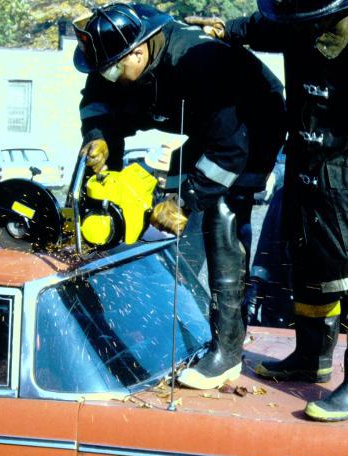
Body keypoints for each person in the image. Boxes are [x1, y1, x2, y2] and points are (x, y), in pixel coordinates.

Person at [187, 0, 348, 421]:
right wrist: (228, 30)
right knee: (311, 266)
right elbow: (265, 28)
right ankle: (309, 357)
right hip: (312, 171)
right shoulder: (298, 20)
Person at [73, 2, 286, 390]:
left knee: (221, 213)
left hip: (252, 124)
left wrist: (185, 202)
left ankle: (227, 351)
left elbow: (228, 152)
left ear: (139, 51)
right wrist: (98, 137)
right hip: (210, 126)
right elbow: (96, 100)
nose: (111, 78)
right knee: (161, 205)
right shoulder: (116, 56)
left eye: (115, 71)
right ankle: (183, 319)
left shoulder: (198, 63)